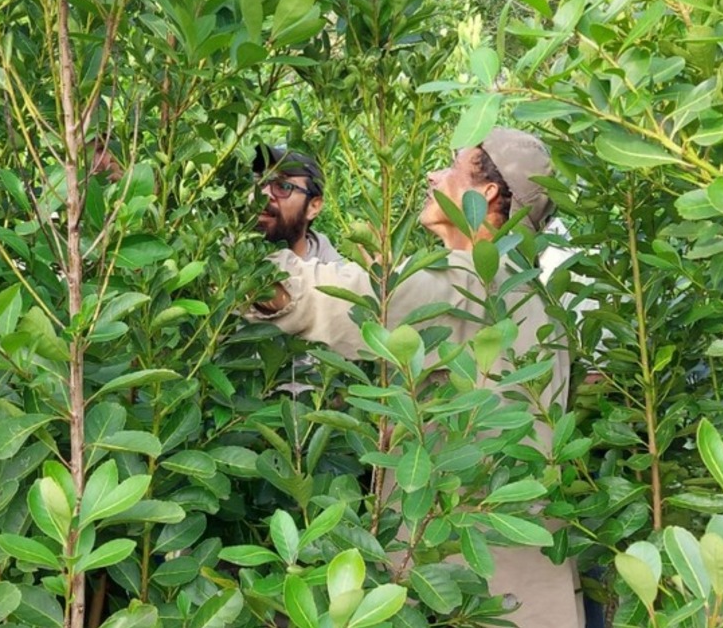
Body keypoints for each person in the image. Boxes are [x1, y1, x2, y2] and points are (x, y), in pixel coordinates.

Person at [246, 128, 583, 628]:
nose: (433, 174)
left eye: (452, 166)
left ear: (487, 193)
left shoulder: (471, 282)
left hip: (462, 581)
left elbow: (332, 301)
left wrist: (238, 256)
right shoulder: (534, 297)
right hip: (530, 583)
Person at [253, 144, 342, 263]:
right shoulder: (225, 251)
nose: (264, 193)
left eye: (283, 186)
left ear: (313, 206)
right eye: (260, 181)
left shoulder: (335, 277)